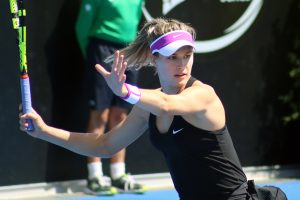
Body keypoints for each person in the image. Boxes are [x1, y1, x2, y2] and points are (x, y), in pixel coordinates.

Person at [20, 18, 252, 200]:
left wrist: (125, 92)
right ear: (155, 58)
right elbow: (105, 145)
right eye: (172, 57)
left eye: (187, 55)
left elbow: (167, 106)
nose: (182, 64)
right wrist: (44, 131)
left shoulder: (204, 95)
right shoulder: (146, 107)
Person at [75, 0, 146, 195]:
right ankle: (95, 176)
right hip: (101, 50)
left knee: (121, 115)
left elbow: (135, 22)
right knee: (100, 115)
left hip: (129, 52)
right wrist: (92, 56)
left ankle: (118, 174)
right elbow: (82, 27)